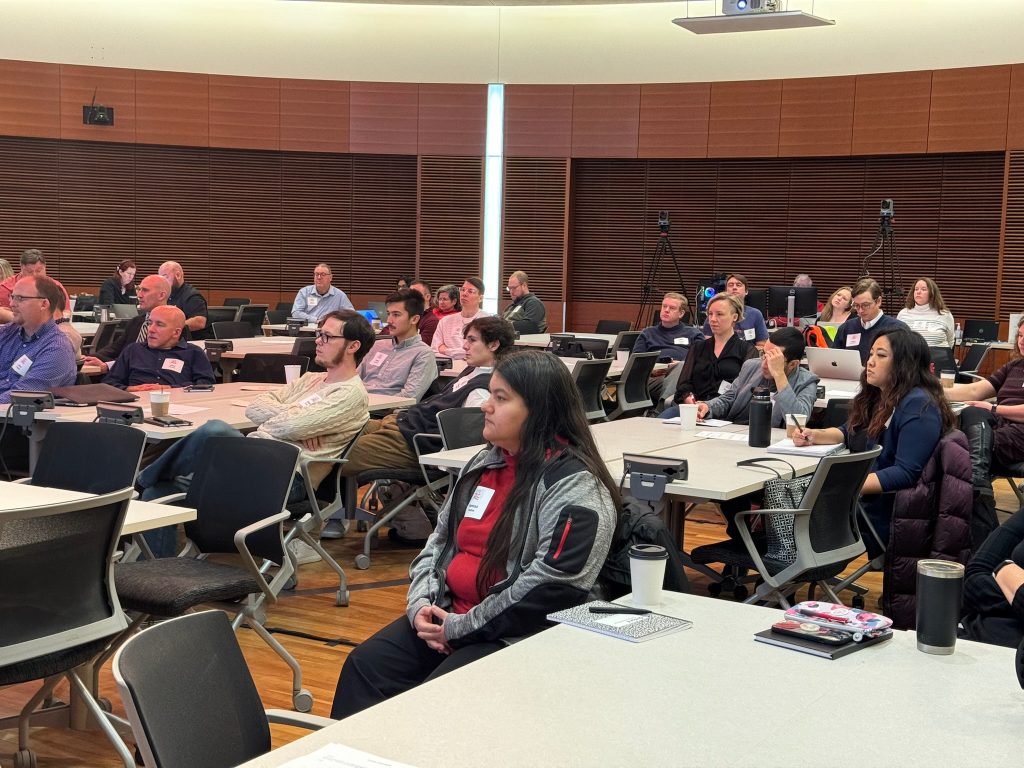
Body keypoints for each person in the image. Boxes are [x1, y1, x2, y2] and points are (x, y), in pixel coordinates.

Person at [329, 350, 619, 719]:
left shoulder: (574, 486)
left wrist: (462, 628)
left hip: (516, 631)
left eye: (501, 398)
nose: (485, 406)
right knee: (365, 667)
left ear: (540, 410)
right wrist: (422, 606)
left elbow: (552, 588)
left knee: (437, 700)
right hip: (449, 615)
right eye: (490, 394)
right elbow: (438, 544)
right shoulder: (483, 463)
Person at [135, 310, 377, 557]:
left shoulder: (350, 394)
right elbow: (255, 406)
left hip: (287, 475)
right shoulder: (311, 379)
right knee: (161, 489)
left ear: (353, 346)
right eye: (319, 334)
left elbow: (286, 427)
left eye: (327, 336)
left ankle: (138, 481)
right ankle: (152, 572)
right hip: (253, 461)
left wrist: (291, 423)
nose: (318, 341)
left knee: (215, 430)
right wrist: (296, 419)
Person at [321, 316, 515, 541]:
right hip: (399, 425)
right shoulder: (472, 372)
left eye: (472, 340)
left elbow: (467, 441)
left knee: (328, 453)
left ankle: (313, 522)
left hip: (411, 442)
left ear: (493, 344)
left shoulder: (483, 391)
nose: (464, 346)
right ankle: (331, 514)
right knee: (332, 428)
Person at [793, 328, 955, 554]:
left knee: (787, 502)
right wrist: (816, 435)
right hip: (859, 502)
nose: (870, 362)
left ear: (904, 363)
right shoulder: (882, 395)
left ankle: (781, 567)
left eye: (881, 355)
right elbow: (851, 432)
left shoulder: (918, 405)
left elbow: (906, 473)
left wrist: (845, 487)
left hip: (879, 514)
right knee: (783, 496)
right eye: (870, 354)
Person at [944, 315, 1024, 542]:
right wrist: (928, 388)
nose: (1022, 341)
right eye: (1019, 336)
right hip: (999, 430)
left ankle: (977, 494)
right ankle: (979, 485)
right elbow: (973, 392)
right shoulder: (1015, 366)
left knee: (960, 448)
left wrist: (995, 409)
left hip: (1021, 432)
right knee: (972, 412)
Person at [696, 327, 818, 426]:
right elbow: (729, 398)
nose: (764, 364)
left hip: (773, 440)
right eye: (764, 354)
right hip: (736, 432)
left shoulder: (806, 381)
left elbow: (797, 421)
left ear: (793, 364)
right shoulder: (751, 366)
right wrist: (708, 406)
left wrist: (779, 374)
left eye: (773, 359)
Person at [665, 293, 757, 414]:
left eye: (719, 314)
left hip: (726, 411)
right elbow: (683, 385)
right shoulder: (698, 347)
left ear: (734, 317)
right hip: (693, 408)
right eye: (710, 314)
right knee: (664, 420)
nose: (713, 319)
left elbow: (744, 391)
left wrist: (710, 406)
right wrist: (691, 402)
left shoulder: (747, 350)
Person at [0, 274, 77, 403]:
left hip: (16, 419)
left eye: (20, 298)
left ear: (44, 304)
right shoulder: (8, 332)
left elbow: (20, 395)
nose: (12, 304)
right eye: (12, 297)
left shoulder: (56, 349)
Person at [103, 305, 215, 391]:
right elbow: (109, 383)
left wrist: (170, 388)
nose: (151, 329)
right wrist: (129, 389)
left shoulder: (193, 353)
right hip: (136, 404)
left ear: (176, 333)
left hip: (178, 404)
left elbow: (206, 384)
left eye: (159, 325)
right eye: (149, 323)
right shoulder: (133, 350)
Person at [358, 289, 437, 401]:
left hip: (384, 412)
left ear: (414, 319)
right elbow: (354, 379)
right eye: (388, 314)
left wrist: (369, 403)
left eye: (396, 315)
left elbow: (408, 398)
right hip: (356, 404)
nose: (389, 320)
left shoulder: (423, 354)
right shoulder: (377, 345)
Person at [961, 508, 1024, 649]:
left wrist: (1005, 571)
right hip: (970, 638)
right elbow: (973, 576)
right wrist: (1015, 597)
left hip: (1011, 658)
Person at [82, 274, 171, 373]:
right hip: (120, 372)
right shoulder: (135, 321)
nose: (139, 295)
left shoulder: (174, 325)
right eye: (139, 290)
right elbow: (114, 349)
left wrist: (108, 365)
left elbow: (149, 360)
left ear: (161, 295)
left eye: (145, 290)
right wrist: (89, 358)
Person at [832, 278, 907, 364]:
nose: (860, 310)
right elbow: (834, 361)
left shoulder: (898, 329)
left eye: (865, 305)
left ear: (878, 301)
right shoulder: (846, 328)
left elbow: (904, 366)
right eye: (856, 305)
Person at [0, 249, 72, 325]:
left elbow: (66, 312)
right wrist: (26, 319)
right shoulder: (5, 287)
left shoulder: (55, 287)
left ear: (45, 267)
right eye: (29, 271)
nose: (34, 275)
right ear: (21, 268)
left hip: (48, 329)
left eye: (38, 271)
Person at [702, 273, 768, 348]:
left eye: (738, 285)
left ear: (746, 291)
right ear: (726, 291)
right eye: (730, 285)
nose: (734, 288)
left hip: (748, 357)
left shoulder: (755, 314)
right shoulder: (715, 313)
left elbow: (762, 345)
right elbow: (708, 344)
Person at [432, 277, 489, 359]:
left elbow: (484, 352)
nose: (464, 294)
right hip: (447, 369)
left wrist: (446, 350)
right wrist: (463, 353)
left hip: (475, 368)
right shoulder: (445, 321)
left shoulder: (487, 320)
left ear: (480, 298)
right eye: (462, 289)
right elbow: (435, 350)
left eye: (470, 291)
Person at [896, 277, 955, 348]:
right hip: (910, 357)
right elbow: (898, 339)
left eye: (923, 289)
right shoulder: (903, 314)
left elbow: (950, 341)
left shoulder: (945, 314)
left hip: (938, 357)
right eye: (916, 289)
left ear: (932, 293)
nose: (918, 292)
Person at [158, 260, 209, 340]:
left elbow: (200, 322)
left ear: (178, 275)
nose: (162, 281)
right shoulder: (166, 294)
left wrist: (170, 328)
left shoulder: (192, 296)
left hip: (190, 342)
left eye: (165, 277)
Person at [291, 263, 355, 322]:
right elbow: (296, 313)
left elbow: (351, 314)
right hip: (308, 329)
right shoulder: (304, 292)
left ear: (330, 277)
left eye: (323, 274)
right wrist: (317, 320)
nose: (319, 277)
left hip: (330, 330)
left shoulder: (340, 295)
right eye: (316, 274)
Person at [409, 278, 439, 345]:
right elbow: (384, 334)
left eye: (415, 294)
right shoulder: (406, 314)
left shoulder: (432, 321)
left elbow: (421, 346)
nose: (410, 298)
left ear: (427, 297)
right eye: (409, 294)